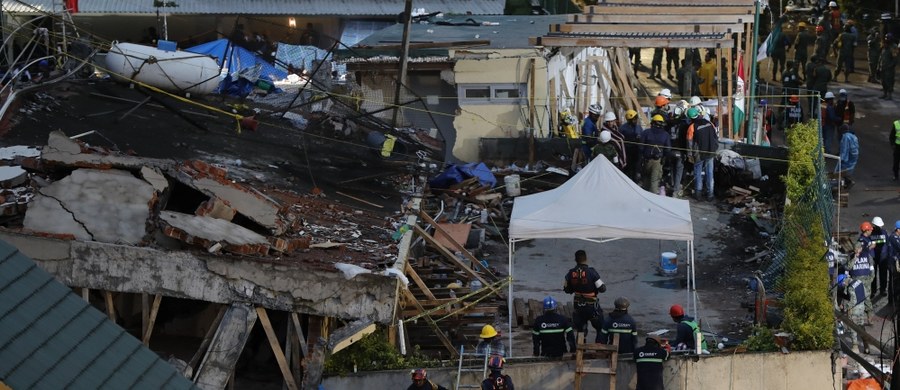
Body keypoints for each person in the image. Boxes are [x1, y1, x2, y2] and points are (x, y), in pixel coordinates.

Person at [564, 250, 607, 343]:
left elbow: (567, 290)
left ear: (575, 260)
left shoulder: (570, 273)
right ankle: (598, 350)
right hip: (592, 307)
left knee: (580, 331)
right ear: (586, 259)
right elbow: (603, 289)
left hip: (578, 307)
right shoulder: (592, 272)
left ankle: (579, 351)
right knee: (600, 328)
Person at [686, 107, 717, 201]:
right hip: (711, 152)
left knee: (698, 173)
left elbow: (689, 143)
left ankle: (698, 193)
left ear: (690, 118)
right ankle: (710, 195)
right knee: (710, 173)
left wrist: (689, 155)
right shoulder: (710, 123)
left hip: (699, 154)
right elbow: (715, 137)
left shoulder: (692, 127)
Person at [836, 274, 869, 354]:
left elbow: (853, 300)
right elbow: (866, 294)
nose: (843, 286)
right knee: (861, 327)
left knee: (852, 328)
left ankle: (855, 347)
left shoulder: (850, 286)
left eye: (842, 284)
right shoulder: (859, 281)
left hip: (854, 310)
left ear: (844, 281)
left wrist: (845, 307)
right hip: (862, 308)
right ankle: (866, 347)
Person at [851, 221, 877, 323]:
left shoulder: (866, 240)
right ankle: (864, 317)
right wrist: (869, 247)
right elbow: (860, 251)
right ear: (866, 230)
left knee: (866, 296)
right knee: (862, 296)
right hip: (861, 273)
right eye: (870, 229)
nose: (871, 230)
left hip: (865, 271)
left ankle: (869, 316)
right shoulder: (862, 241)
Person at [640, 114, 671, 194]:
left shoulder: (645, 133)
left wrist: (642, 157)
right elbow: (668, 149)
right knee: (654, 182)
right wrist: (665, 159)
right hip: (657, 162)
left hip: (646, 161)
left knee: (646, 180)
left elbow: (640, 147)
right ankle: (653, 201)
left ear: (652, 123)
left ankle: (644, 197)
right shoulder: (665, 134)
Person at [620, 109, 644, 181]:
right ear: (629, 120)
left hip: (637, 152)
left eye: (636, 118)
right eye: (633, 119)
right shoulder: (623, 128)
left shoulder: (639, 127)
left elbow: (642, 138)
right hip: (627, 152)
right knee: (627, 170)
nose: (635, 120)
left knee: (636, 170)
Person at [835, 124, 859, 189]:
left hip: (848, 155)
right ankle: (847, 182)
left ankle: (848, 182)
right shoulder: (854, 136)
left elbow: (845, 148)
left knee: (842, 169)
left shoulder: (845, 137)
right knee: (849, 169)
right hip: (854, 155)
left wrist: (842, 158)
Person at [871, 217, 888, 298]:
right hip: (874, 257)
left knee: (883, 274)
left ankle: (883, 289)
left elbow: (887, 244)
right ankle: (873, 290)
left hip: (882, 257)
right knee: (873, 275)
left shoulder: (884, 233)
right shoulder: (871, 233)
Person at [886, 220, 900, 302]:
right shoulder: (893, 237)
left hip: (896, 262)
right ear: (898, 229)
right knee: (894, 282)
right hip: (893, 263)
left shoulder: (897, 237)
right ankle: (892, 300)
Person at [880, 34, 896, 100]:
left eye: (888, 38)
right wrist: (879, 66)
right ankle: (885, 93)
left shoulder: (893, 47)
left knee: (889, 81)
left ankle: (889, 95)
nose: (886, 39)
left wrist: (890, 66)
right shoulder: (884, 47)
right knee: (883, 81)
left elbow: (895, 59)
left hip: (889, 69)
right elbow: (881, 57)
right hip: (883, 67)